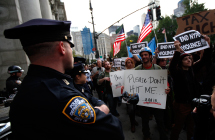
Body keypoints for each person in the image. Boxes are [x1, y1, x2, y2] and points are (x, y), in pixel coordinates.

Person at [4, 18, 124, 140]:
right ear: (62, 47)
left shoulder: (28, 86)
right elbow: (114, 129)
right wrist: (101, 109)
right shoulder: (60, 94)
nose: (71, 52)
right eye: (70, 46)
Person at [169, 35, 211, 140]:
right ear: (181, 62)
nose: (189, 60)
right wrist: (177, 51)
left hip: (192, 104)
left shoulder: (193, 70)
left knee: (191, 128)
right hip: (181, 106)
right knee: (178, 128)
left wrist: (208, 43)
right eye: (186, 59)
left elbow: (205, 59)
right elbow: (172, 66)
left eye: (190, 58)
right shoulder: (177, 73)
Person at [135, 47, 170, 140]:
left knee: (159, 120)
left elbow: (164, 81)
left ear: (150, 56)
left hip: (156, 99)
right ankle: (146, 135)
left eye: (146, 55)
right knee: (145, 120)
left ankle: (163, 136)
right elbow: (132, 82)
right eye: (142, 55)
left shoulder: (157, 68)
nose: (144, 57)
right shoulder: (137, 69)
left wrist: (167, 87)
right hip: (143, 100)